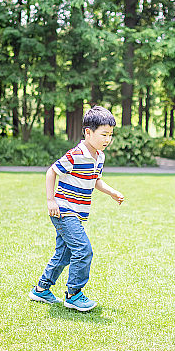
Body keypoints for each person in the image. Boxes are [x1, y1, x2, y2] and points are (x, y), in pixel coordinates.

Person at [28, 106, 124, 312]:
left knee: (64, 254)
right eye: (104, 134)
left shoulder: (99, 156)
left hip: (77, 212)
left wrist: (112, 192)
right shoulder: (75, 154)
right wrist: (50, 200)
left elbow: (95, 180)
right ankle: (73, 294)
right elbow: (51, 172)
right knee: (83, 250)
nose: (108, 139)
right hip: (63, 210)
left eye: (110, 135)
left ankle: (41, 289)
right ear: (88, 132)